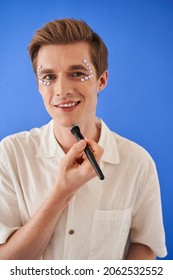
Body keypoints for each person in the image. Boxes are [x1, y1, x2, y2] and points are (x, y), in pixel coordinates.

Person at [0, 18, 167, 260]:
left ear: (101, 80)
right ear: (38, 84)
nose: (61, 90)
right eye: (49, 76)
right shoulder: (10, 154)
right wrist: (62, 191)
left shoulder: (138, 162)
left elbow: (146, 246)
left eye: (77, 73)